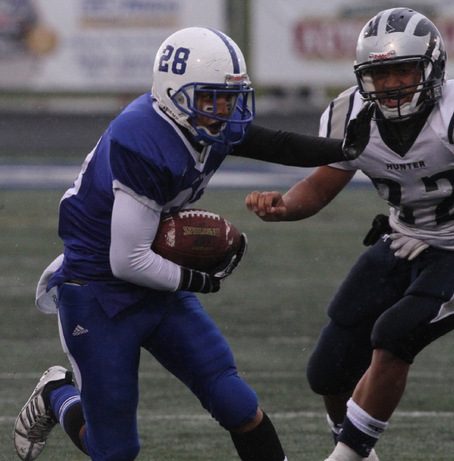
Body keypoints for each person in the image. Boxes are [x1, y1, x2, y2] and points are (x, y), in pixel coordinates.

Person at [13, 27, 368, 461]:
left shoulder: (203, 121)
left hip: (154, 275)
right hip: (98, 292)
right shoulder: (143, 139)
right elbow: (127, 261)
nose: (223, 110)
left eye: (229, 97)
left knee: (238, 404)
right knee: (116, 451)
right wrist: (203, 279)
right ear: (172, 92)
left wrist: (346, 148)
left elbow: (276, 142)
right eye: (210, 98)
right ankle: (57, 393)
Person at [245, 7, 454, 461]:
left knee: (394, 334)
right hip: (405, 239)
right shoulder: (353, 115)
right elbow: (321, 186)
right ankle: (360, 453)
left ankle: (347, 455)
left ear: (433, 67)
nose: (392, 84)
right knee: (328, 371)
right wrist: (284, 207)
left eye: (403, 70)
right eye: (380, 74)